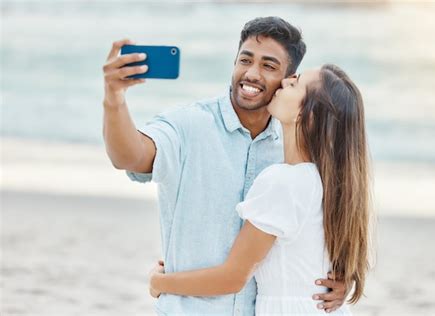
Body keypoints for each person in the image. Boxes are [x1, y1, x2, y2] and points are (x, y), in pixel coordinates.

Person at [102, 17, 349, 315]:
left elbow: (325, 226)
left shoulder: (296, 155)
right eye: (245, 60)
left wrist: (341, 279)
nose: (252, 73)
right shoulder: (189, 124)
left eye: (269, 66)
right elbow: (129, 156)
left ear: (288, 80)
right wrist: (114, 99)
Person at [148, 64, 370, 315]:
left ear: (306, 115)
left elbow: (232, 278)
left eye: (294, 84)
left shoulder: (283, 181)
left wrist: (160, 283)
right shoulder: (326, 180)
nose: (285, 82)